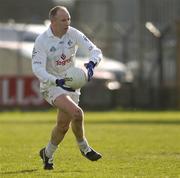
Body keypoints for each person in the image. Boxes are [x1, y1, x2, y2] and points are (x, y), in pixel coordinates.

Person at [32, 6, 103, 170]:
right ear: (53, 22)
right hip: (51, 85)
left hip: (71, 84)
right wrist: (56, 81)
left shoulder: (73, 33)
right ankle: (85, 148)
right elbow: (37, 68)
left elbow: (96, 51)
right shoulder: (42, 41)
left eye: (69, 19)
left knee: (63, 126)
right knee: (77, 113)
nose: (67, 23)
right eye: (63, 20)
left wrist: (92, 64)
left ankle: (47, 154)